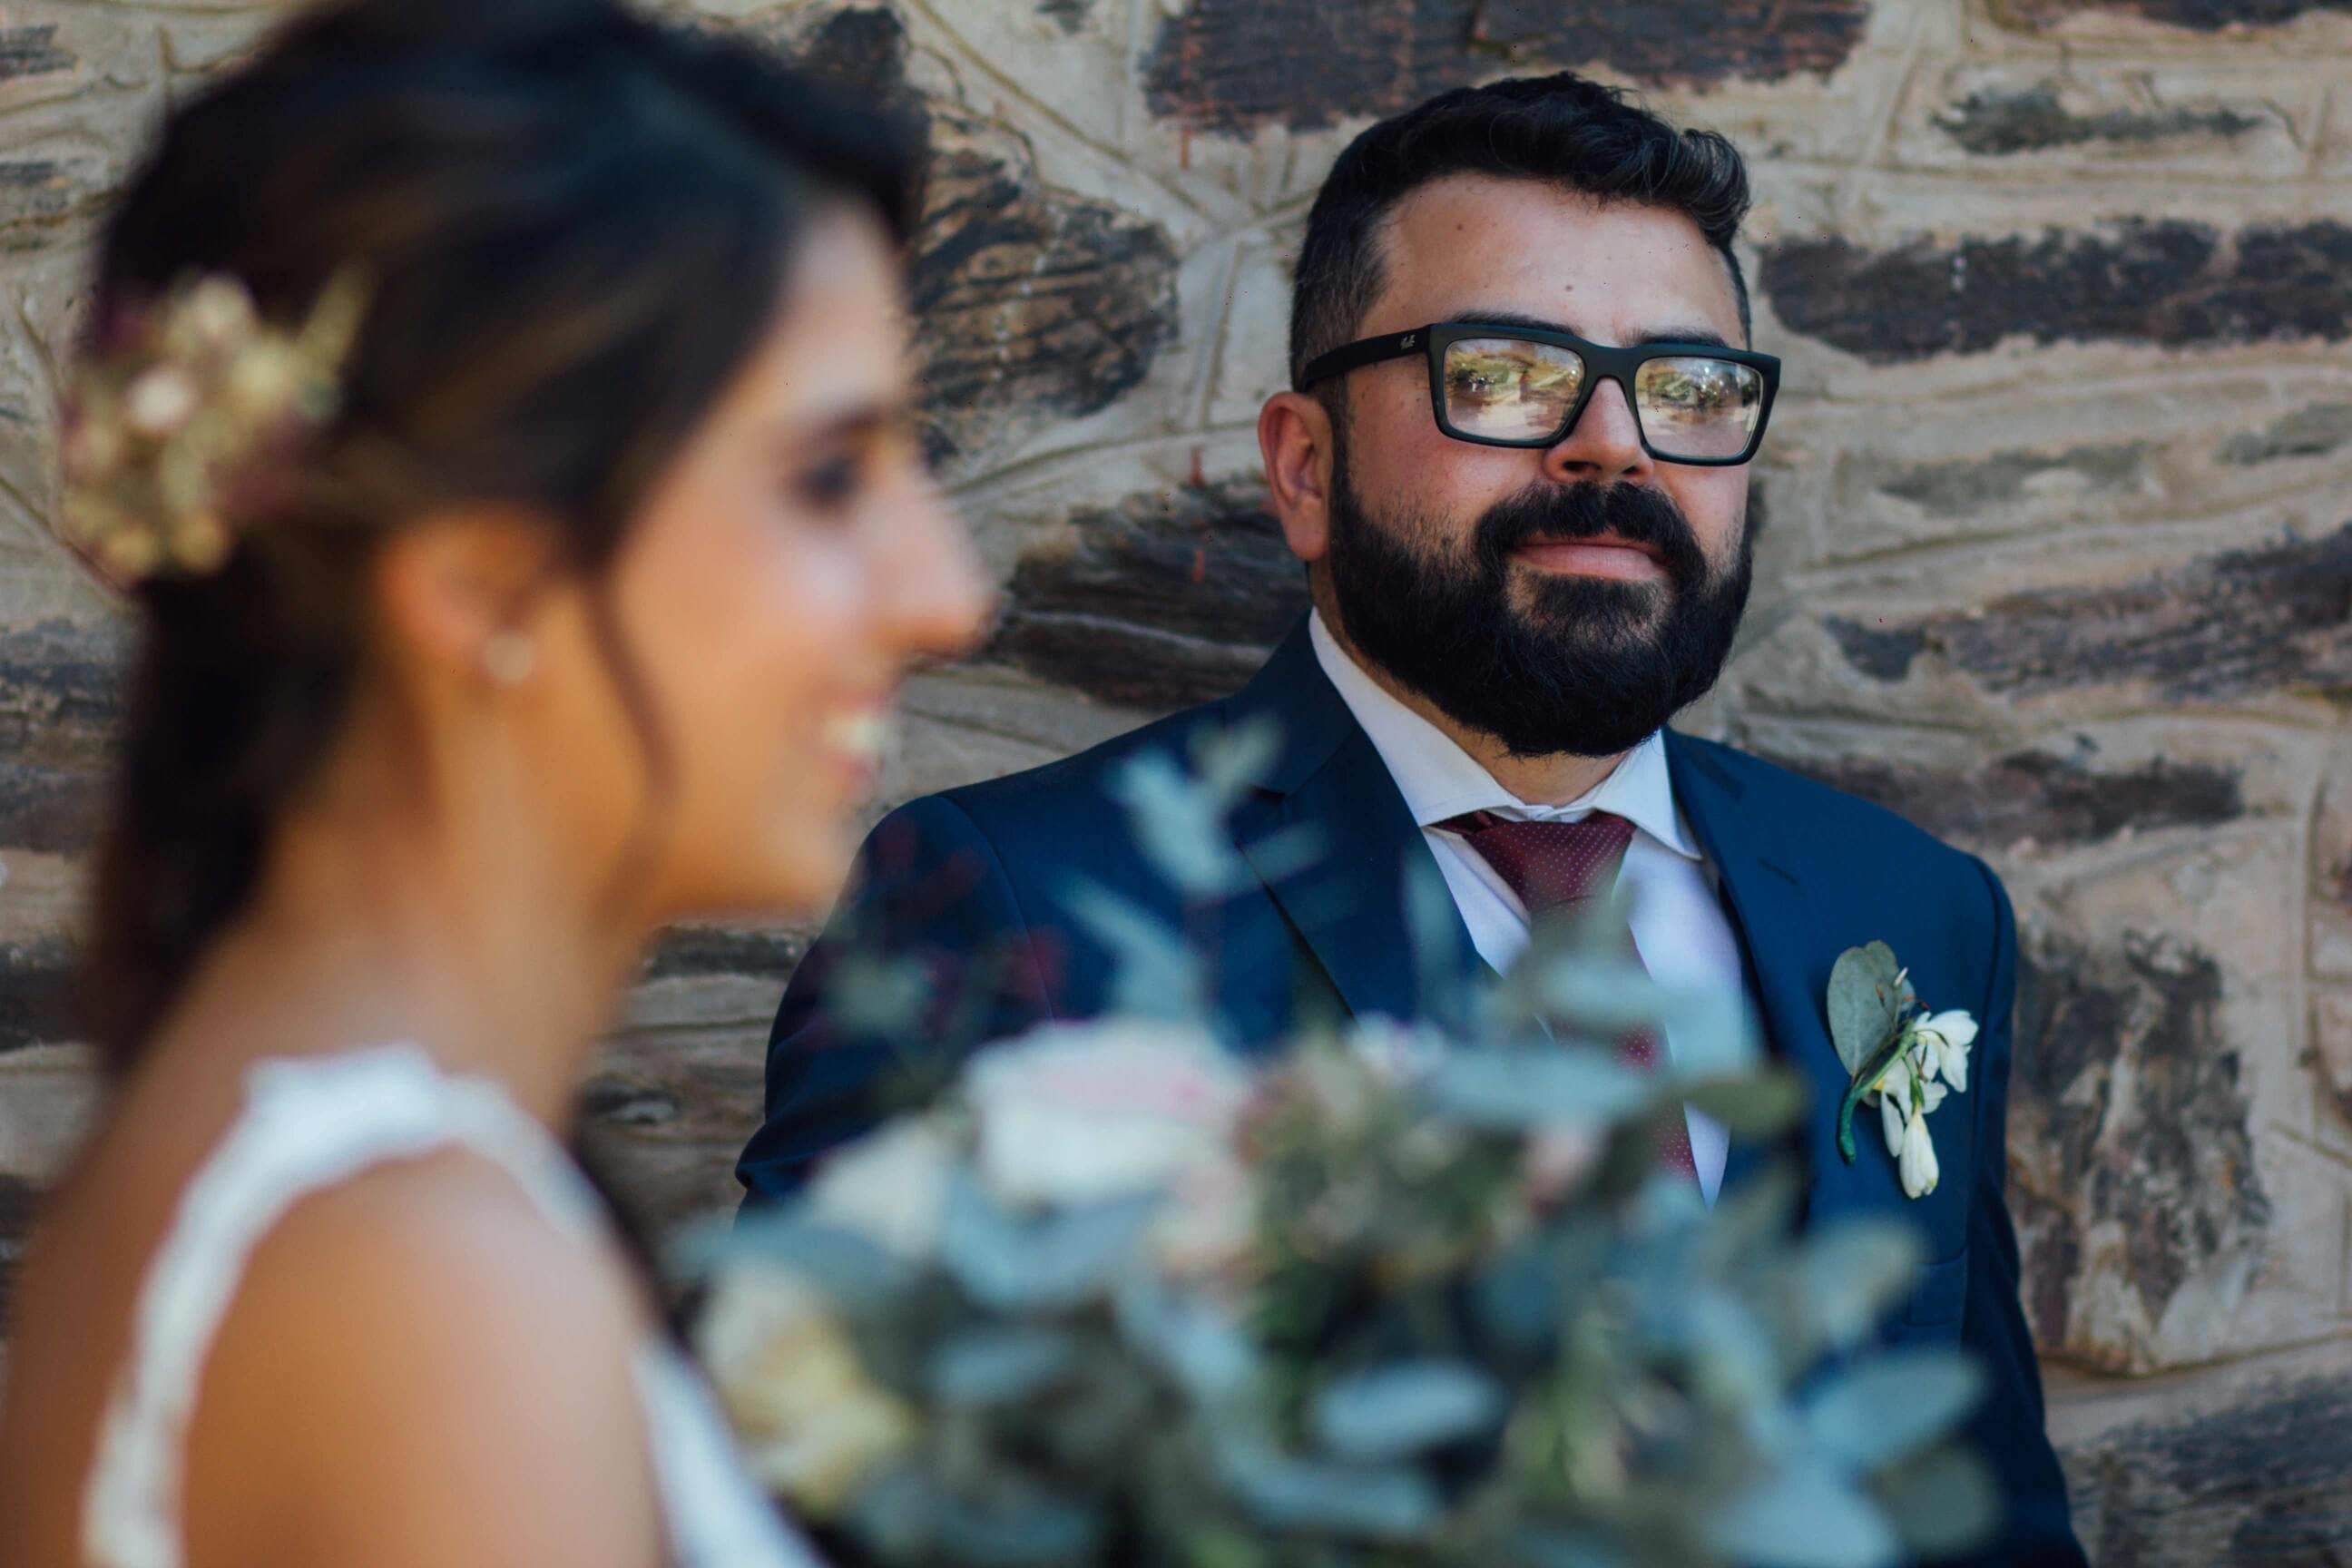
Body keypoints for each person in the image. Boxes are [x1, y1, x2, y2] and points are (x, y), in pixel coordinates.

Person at [742, 74, 2087, 1567]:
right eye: (1503, 375)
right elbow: (808, 1511)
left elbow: (1989, 1514)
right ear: (1305, 468)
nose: (1613, 447)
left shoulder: (1909, 907)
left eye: (1690, 389)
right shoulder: (1007, 902)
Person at [0, 2, 987, 1563]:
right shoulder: (425, 1280)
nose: (948, 598)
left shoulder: (330, 1184)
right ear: (481, 584)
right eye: (825, 476)